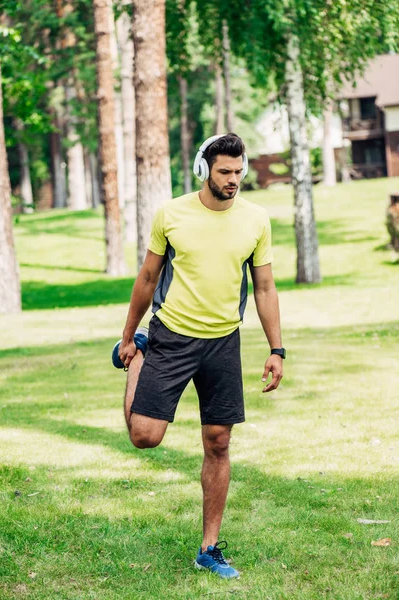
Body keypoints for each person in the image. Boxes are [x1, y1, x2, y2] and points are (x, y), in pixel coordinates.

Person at [115, 133, 285, 579]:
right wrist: (129, 338)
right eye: (225, 172)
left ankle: (209, 548)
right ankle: (139, 362)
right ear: (203, 170)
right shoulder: (172, 214)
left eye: (238, 171)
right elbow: (149, 276)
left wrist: (276, 348)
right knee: (144, 437)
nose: (233, 180)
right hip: (170, 337)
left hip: (223, 341)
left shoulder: (256, 220)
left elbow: (265, 287)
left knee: (219, 442)